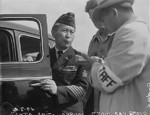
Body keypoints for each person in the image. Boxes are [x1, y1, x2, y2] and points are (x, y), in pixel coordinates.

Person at [79, 0, 150, 114]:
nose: (103, 23)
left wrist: (93, 66)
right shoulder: (135, 30)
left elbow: (108, 79)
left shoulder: (130, 32)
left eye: (103, 19)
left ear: (114, 13)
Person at [38, 12, 89, 115]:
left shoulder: (80, 58)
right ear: (53, 33)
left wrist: (57, 90)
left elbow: (82, 89)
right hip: (46, 110)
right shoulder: (43, 56)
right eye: (64, 30)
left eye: (72, 32)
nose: (68, 36)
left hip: (69, 111)